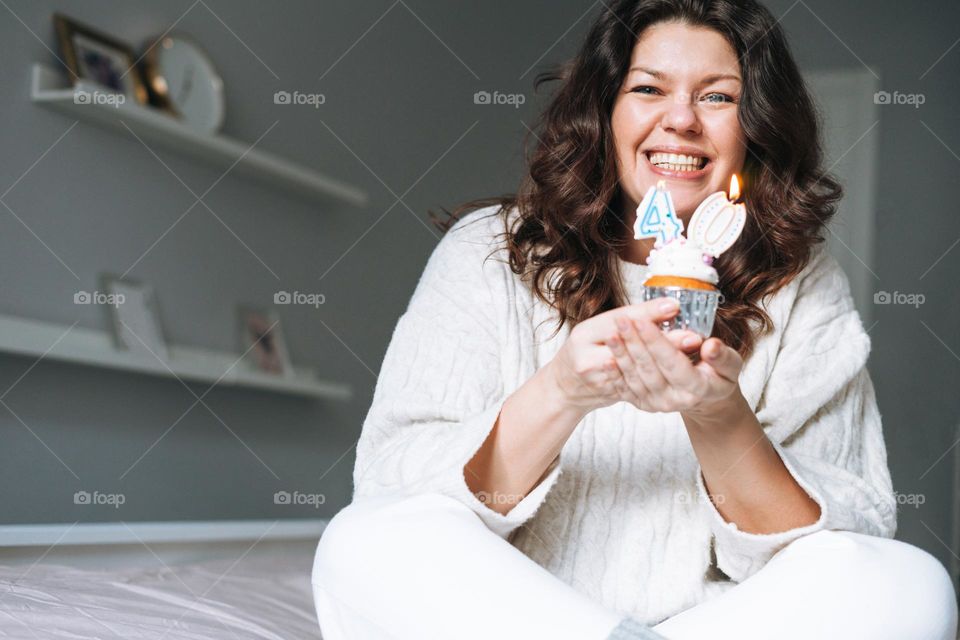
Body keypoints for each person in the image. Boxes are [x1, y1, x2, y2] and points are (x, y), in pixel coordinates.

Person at [312, 0, 959, 638]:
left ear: (755, 128)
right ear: (605, 110)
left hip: (720, 625)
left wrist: (717, 414)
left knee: (912, 583)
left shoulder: (799, 281)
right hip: (520, 621)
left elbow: (849, 529)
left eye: (718, 97)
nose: (680, 119)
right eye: (649, 88)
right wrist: (562, 392)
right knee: (358, 544)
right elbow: (391, 483)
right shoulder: (489, 250)